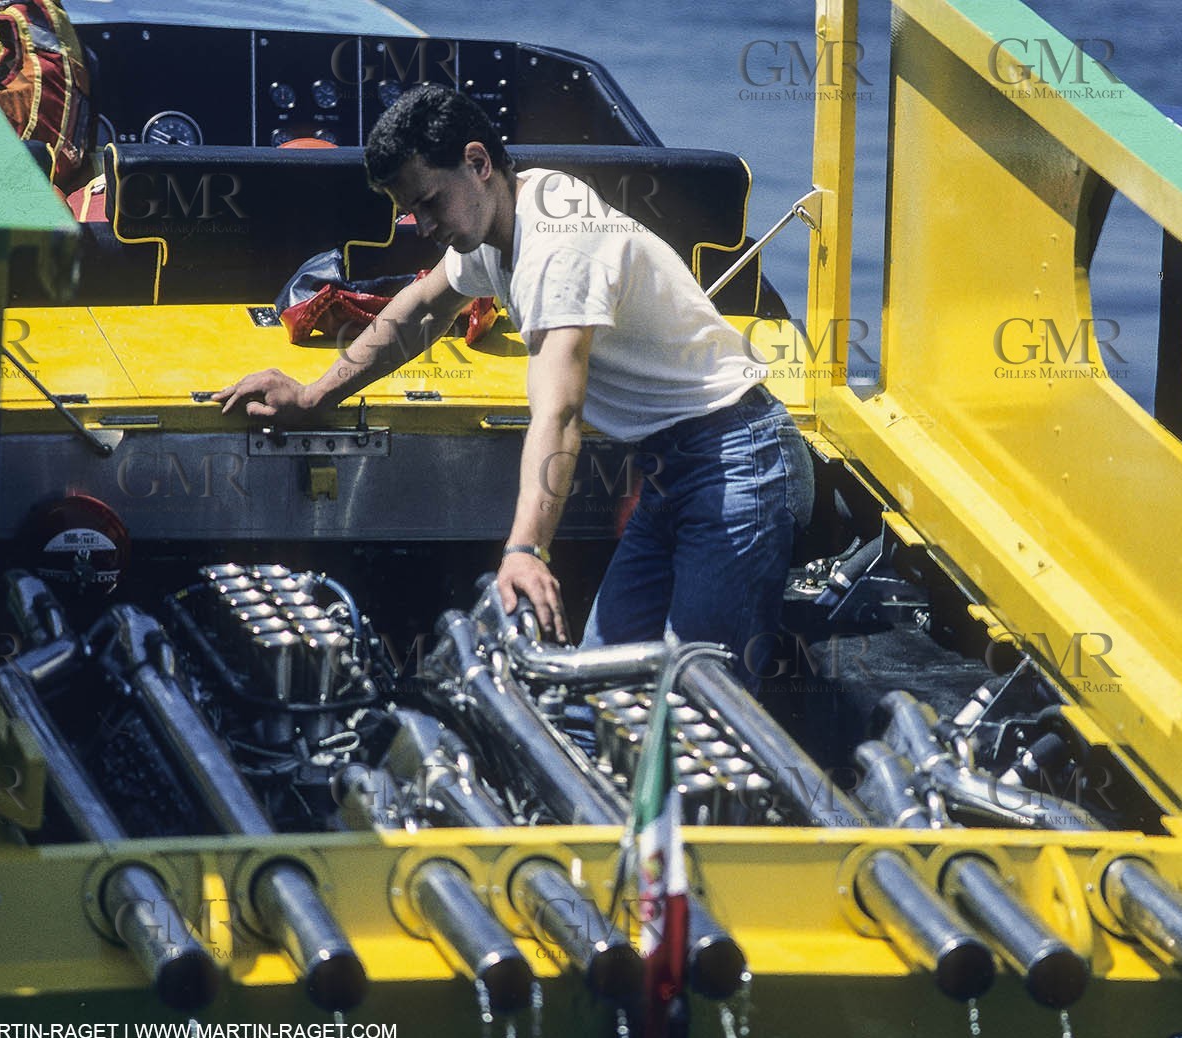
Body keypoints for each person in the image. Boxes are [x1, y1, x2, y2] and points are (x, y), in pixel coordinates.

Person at [214, 85, 812, 683]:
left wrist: (525, 551)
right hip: (669, 469)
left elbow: (559, 413)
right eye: (411, 211)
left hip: (737, 462)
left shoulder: (558, 246)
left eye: (428, 203)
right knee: (599, 686)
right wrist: (315, 395)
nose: (422, 225)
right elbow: (422, 308)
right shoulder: (504, 217)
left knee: (706, 702)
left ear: (478, 164)